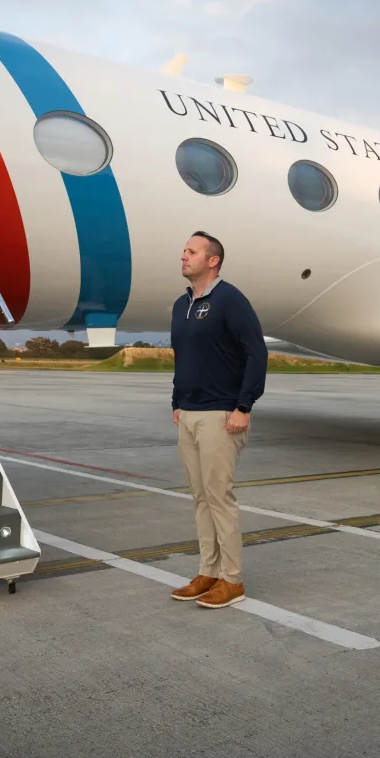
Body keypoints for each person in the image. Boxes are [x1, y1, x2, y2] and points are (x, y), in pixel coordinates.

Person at [168, 232, 267, 609]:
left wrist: (244, 406)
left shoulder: (230, 300)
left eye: (191, 252)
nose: (183, 256)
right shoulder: (181, 305)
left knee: (218, 497)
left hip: (221, 413)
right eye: (184, 251)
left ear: (212, 261)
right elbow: (183, 356)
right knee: (200, 498)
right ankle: (208, 570)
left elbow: (256, 353)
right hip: (189, 414)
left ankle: (232, 579)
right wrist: (177, 401)